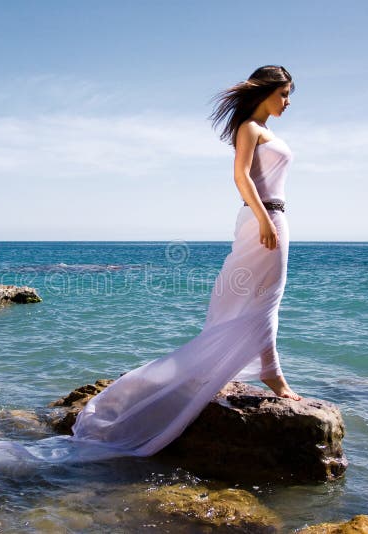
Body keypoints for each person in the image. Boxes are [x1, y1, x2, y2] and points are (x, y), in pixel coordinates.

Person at [70, 65, 301, 457]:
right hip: (264, 218)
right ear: (265, 92)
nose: (288, 101)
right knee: (267, 297)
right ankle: (272, 374)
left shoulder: (266, 132)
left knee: (252, 295)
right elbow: (240, 178)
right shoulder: (250, 128)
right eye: (283, 94)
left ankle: (252, 369)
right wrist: (264, 220)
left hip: (271, 216)